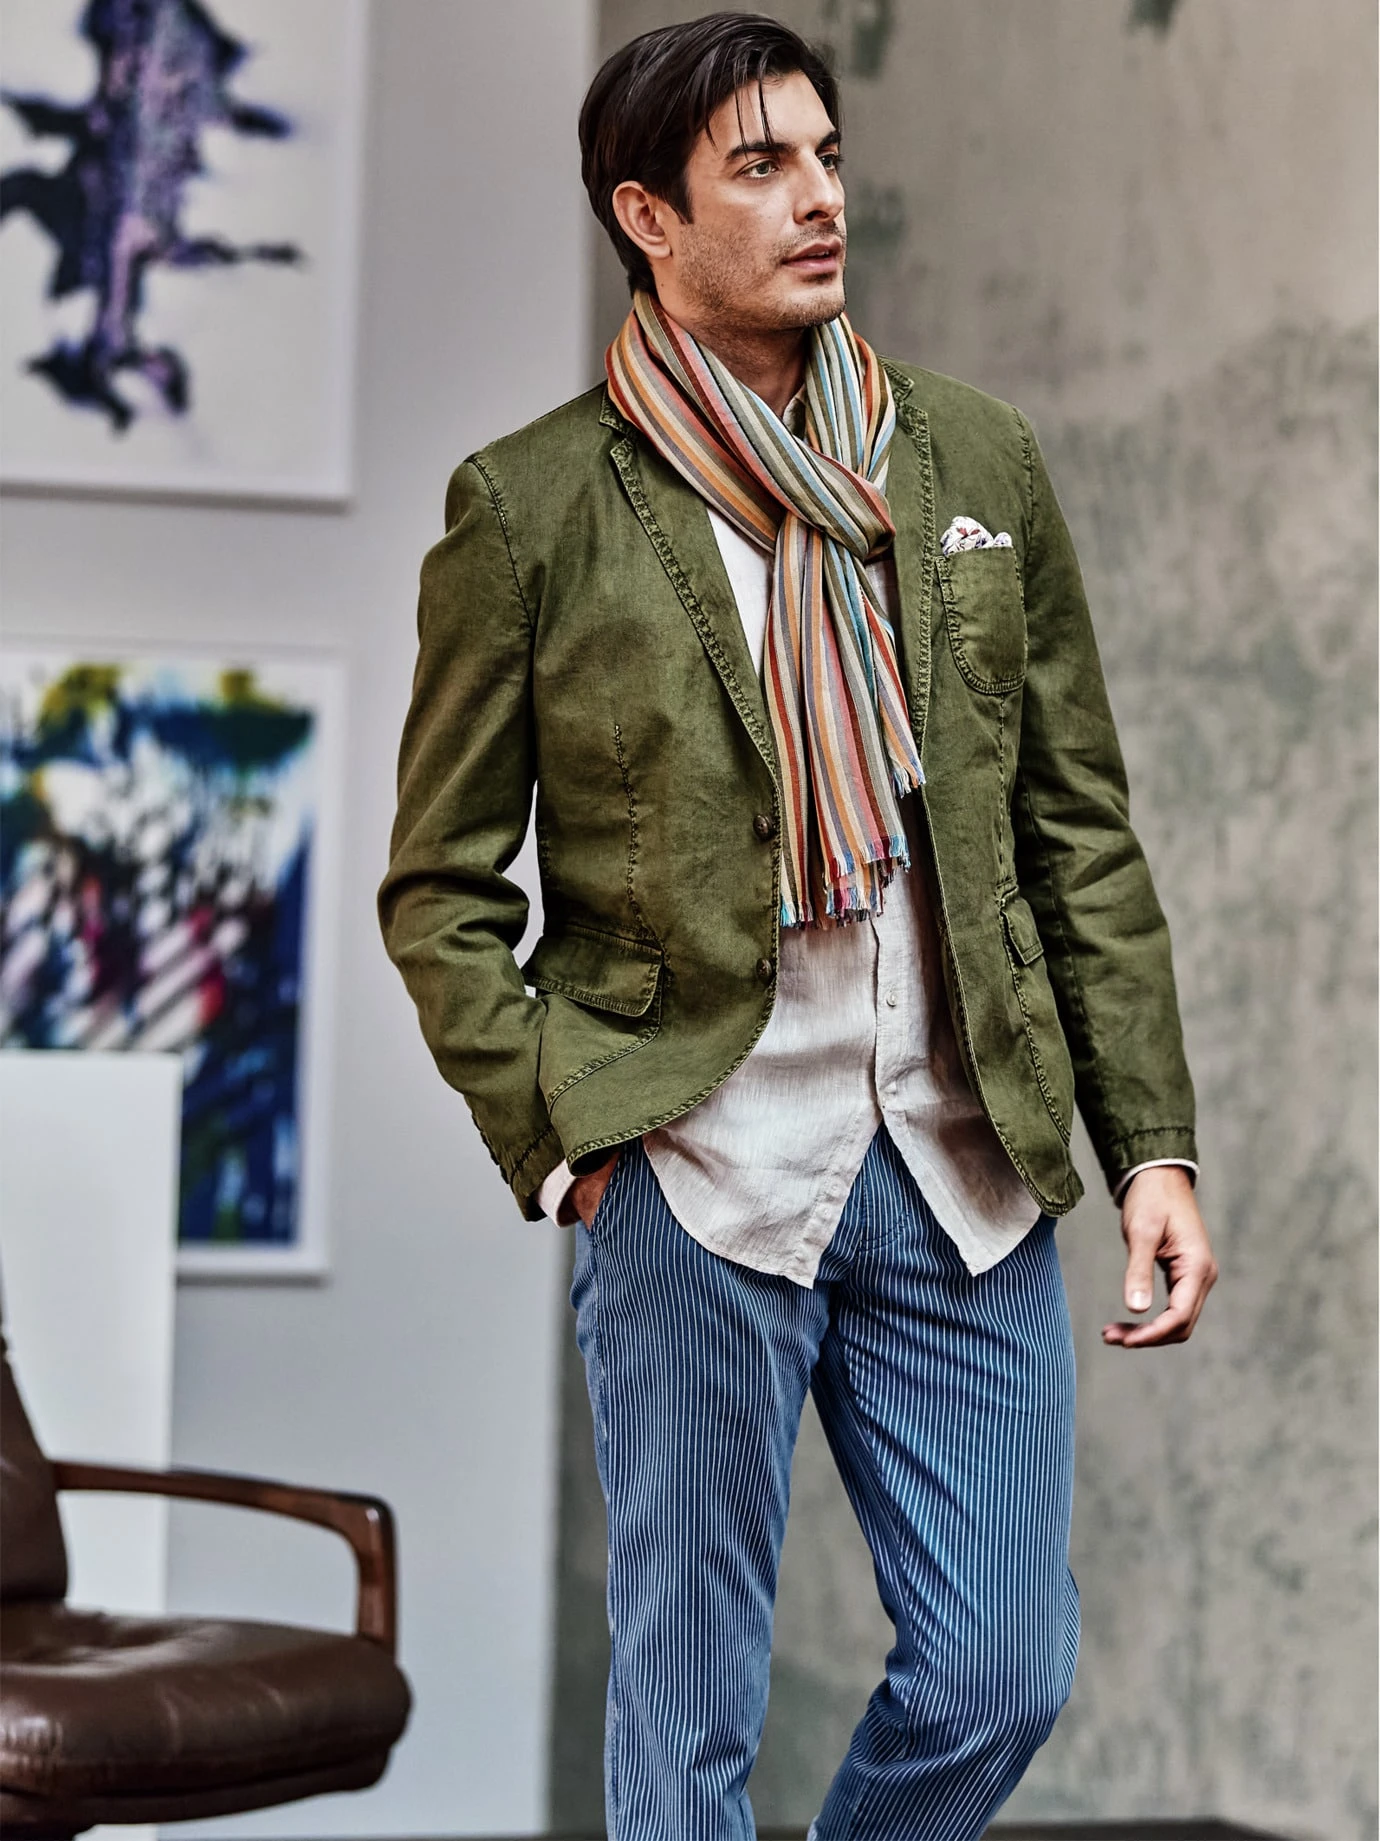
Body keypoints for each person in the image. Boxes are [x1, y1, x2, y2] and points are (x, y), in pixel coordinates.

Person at [379, 13, 1218, 1836]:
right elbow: (440, 888)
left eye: (826, 155)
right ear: (648, 215)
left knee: (1002, 1670)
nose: (821, 196)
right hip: (694, 1162)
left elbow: (1075, 832)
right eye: (760, 166)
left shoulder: (973, 462)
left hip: (959, 1152)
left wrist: (1149, 1143)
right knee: (689, 1709)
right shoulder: (533, 509)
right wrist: (574, 1140)